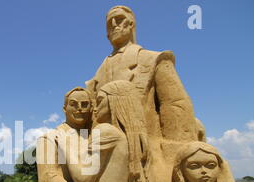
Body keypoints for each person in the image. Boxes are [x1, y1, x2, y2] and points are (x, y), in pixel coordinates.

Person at [85, 5, 198, 142]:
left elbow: (175, 105)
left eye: (119, 19)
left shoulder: (154, 59)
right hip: (99, 148)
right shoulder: (96, 76)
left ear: (131, 24)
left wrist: (180, 148)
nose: (114, 24)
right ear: (106, 34)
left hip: (142, 148)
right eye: (109, 23)